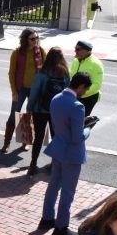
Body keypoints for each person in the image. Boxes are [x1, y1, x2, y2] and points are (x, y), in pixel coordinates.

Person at [39, 73, 93, 235]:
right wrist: (88, 129)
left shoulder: (56, 98)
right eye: (85, 89)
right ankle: (61, 226)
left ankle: (47, 218)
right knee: (68, 192)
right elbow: (77, 137)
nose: (84, 92)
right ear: (81, 86)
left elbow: (63, 124)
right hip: (71, 154)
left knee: (53, 185)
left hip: (58, 148)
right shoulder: (77, 106)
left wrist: (82, 122)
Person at [26, 46, 70, 176]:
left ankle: (33, 165)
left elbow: (34, 92)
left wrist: (30, 106)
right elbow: (68, 92)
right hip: (57, 111)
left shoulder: (42, 73)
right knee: (56, 138)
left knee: (38, 138)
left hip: (40, 109)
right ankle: (54, 165)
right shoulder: (65, 74)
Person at [4, 28, 46, 152]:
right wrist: (14, 92)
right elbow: (11, 73)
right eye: (32, 39)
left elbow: (46, 71)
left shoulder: (41, 52)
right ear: (25, 40)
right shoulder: (17, 53)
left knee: (29, 116)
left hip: (35, 90)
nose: (36, 41)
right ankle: (6, 143)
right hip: (20, 89)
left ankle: (25, 142)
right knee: (13, 115)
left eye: (37, 38)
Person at [68, 40, 104, 116]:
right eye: (75, 48)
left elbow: (97, 85)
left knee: (81, 120)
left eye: (78, 49)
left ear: (87, 51)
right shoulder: (76, 60)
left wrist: (81, 92)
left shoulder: (96, 64)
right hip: (76, 94)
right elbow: (72, 75)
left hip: (88, 97)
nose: (75, 51)